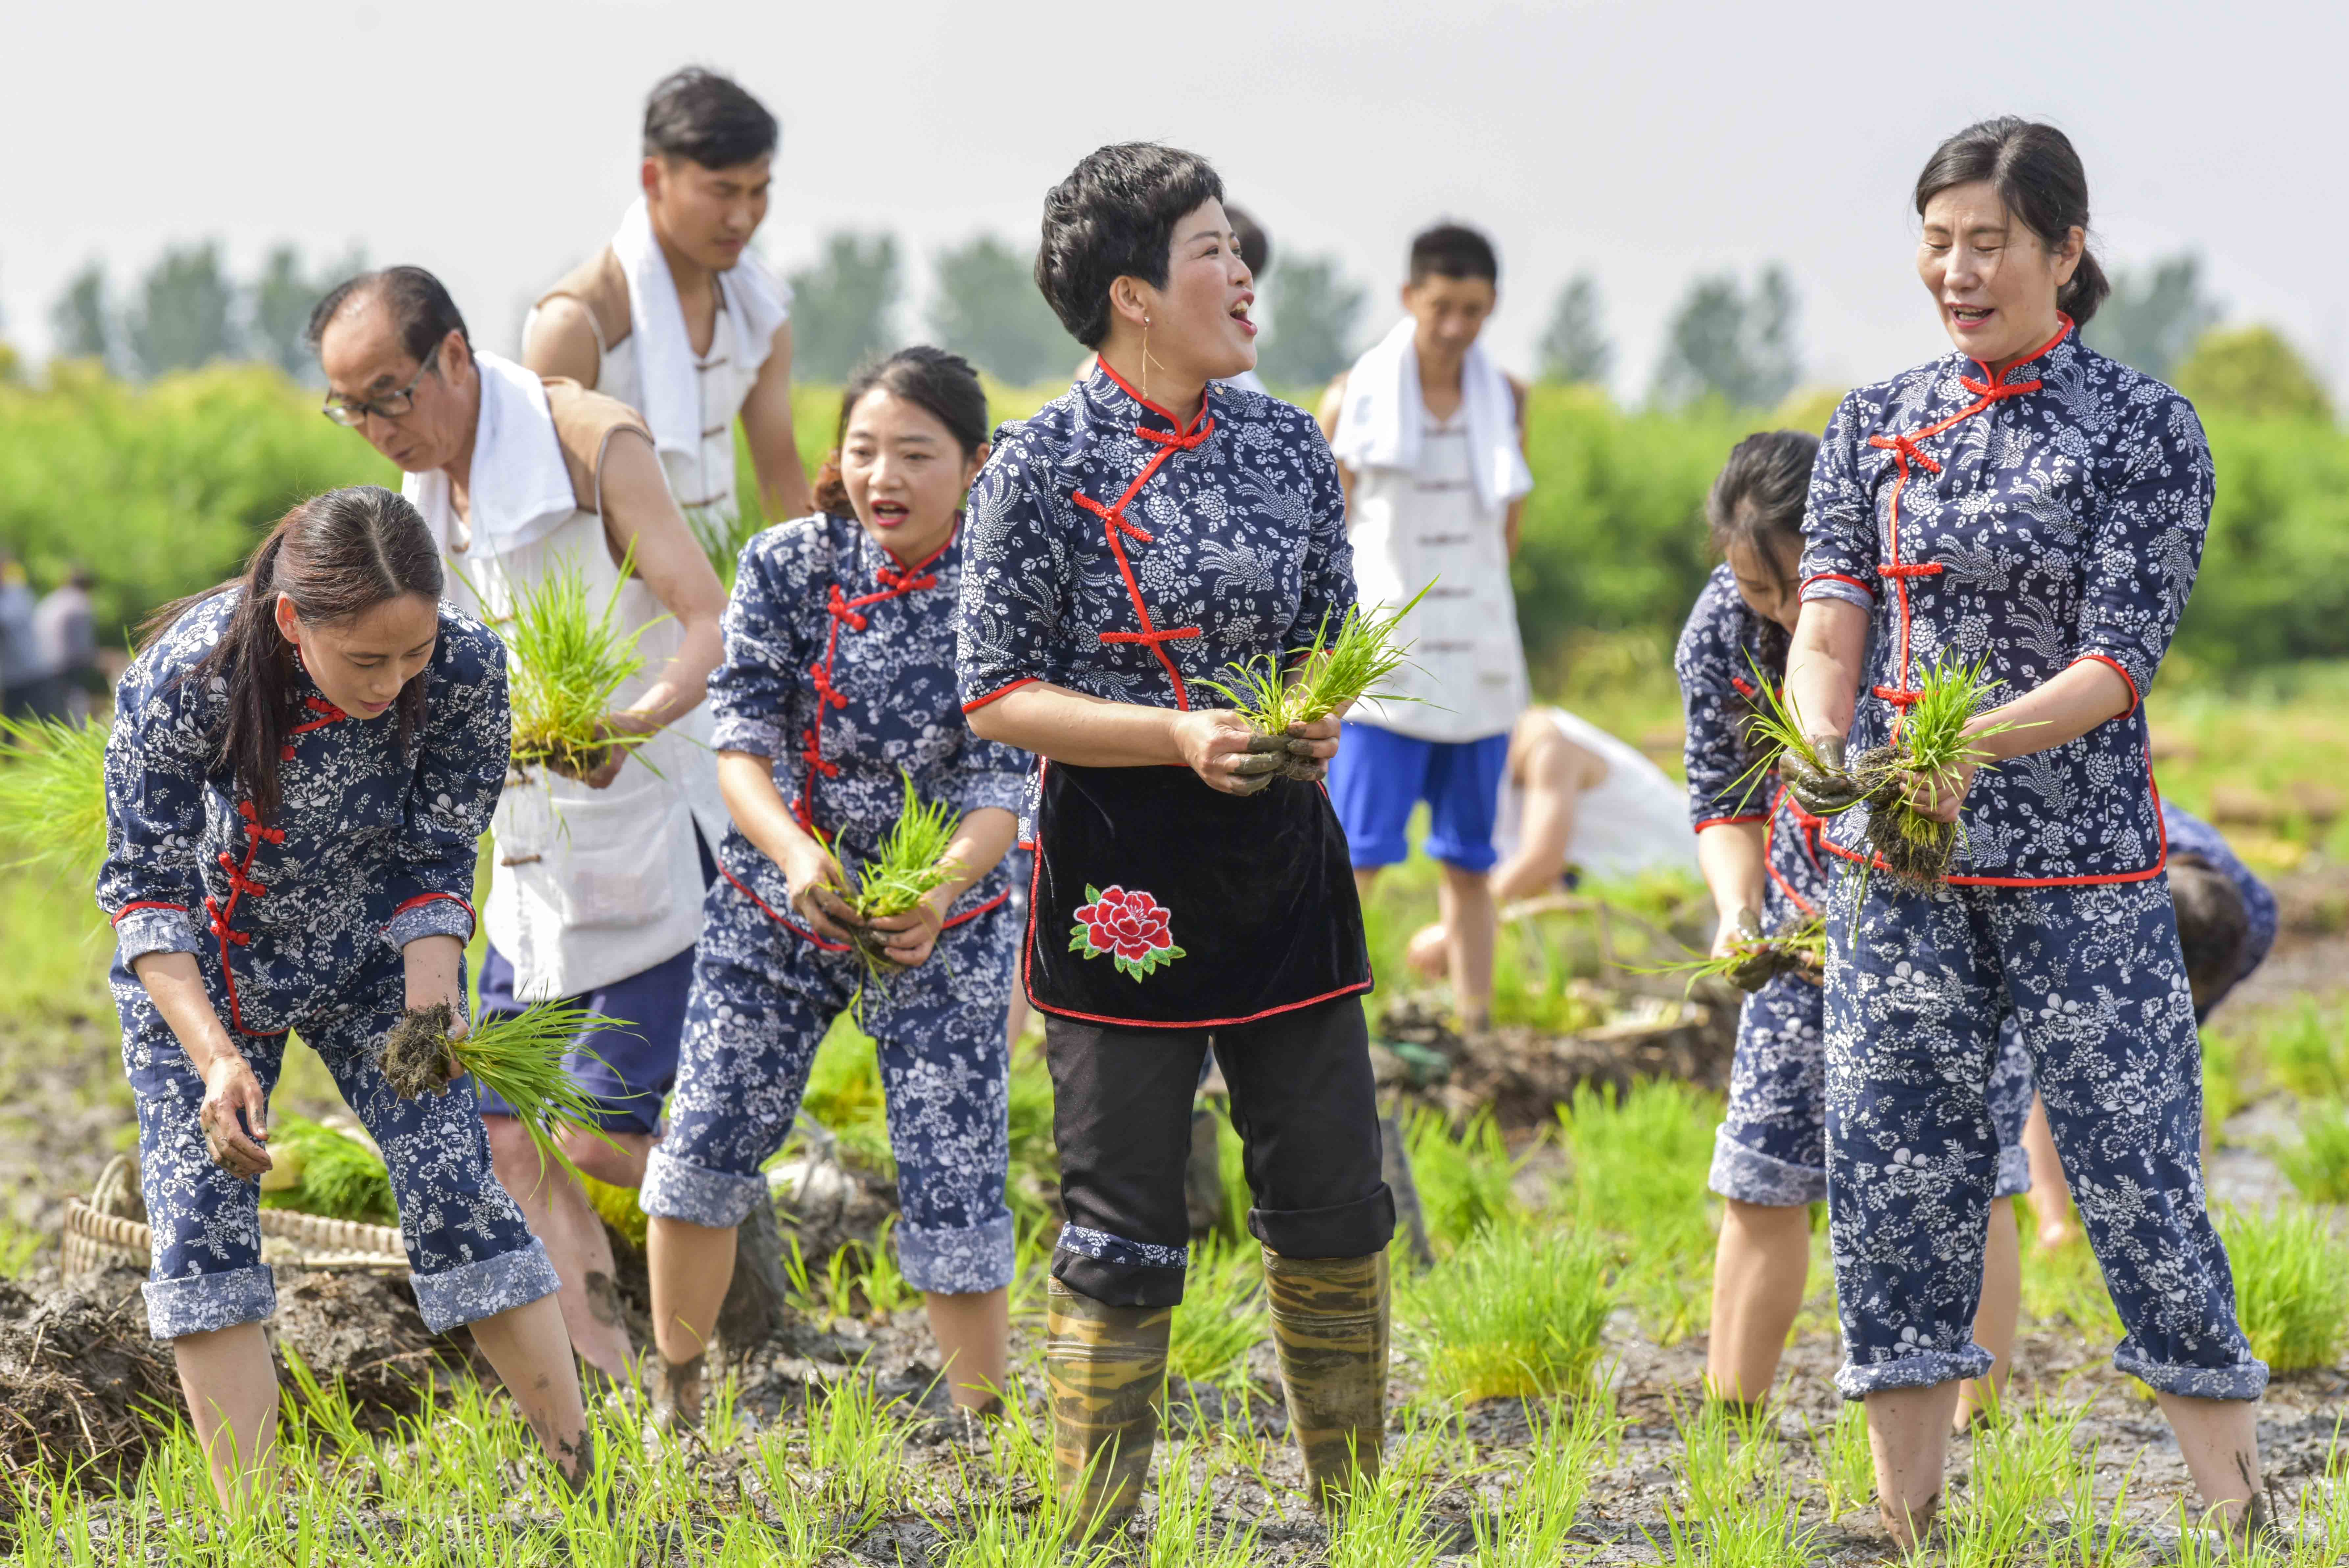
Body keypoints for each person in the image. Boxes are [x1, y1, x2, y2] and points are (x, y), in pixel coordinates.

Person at [1779, 118, 2266, 1548]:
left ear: (2064, 250)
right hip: (1900, 885)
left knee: (2139, 1186)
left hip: (2084, 879)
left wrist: (1950, 744)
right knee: (1892, 1184)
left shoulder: (2141, 428)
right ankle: (1905, 1516)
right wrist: (1821, 742)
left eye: (1986, 241)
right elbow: (1828, 616)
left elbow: (2115, 663)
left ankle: (2242, 1515)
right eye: (1935, 242)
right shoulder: (1872, 420)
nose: (1956, 268)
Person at [959, 143, 1393, 1528]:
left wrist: (1313, 713)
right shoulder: (1037, 465)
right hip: (1118, 870)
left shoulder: (1281, 443)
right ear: (1133, 294)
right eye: (1211, 248)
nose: (1241, 270)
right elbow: (996, 690)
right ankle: (1091, 1529)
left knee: (1333, 1195)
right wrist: (1174, 734)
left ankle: (1355, 1516)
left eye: (1233, 243)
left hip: (1281, 860)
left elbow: (1326, 634)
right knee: (1124, 1216)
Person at [97, 487, 587, 1509]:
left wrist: (431, 997)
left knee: (457, 1179)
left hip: (370, 951)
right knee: (201, 1221)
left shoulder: (461, 670)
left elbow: (437, 847)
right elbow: (146, 887)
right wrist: (216, 1056)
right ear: (292, 620)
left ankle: (588, 1479)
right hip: (206, 967)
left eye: (409, 654)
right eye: (367, 659)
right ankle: (259, 1525)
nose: (393, 679)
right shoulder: (190, 678)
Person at [311, 266, 729, 1385]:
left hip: (647, 824)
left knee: (597, 1132)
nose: (375, 427)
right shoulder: (414, 511)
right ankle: (607, 1379)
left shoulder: (590, 441)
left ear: (454, 355)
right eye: (348, 406)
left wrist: (629, 718)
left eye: (388, 394)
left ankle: (730, 1229)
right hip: (530, 852)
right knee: (501, 1128)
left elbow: (703, 617)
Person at [641, 348, 1025, 1425]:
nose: (882, 474)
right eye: (863, 449)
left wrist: (940, 889)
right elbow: (741, 741)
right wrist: (798, 855)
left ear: (973, 463)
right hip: (780, 900)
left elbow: (1007, 774)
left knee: (955, 1160)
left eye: (914, 452)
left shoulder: (1005, 591)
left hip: (946, 911)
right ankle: (677, 1390)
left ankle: (978, 1422)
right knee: (707, 1131)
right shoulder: (787, 565)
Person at [1676, 430, 2036, 1430]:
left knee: (1971, 1171)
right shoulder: (1723, 626)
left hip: (1949, 928)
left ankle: (1979, 1428)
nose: (1786, 614)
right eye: (1759, 591)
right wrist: (1737, 911)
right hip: (1801, 936)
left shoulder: (1922, 604)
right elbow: (1718, 794)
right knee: (1761, 1163)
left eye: (1798, 584)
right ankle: (1729, 1417)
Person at [1318, 223, 1534, 1035]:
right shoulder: (1351, 397)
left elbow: (1507, 525)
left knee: (1470, 859)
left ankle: (1473, 1023)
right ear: (1410, 297)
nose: (1454, 326)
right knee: (1356, 854)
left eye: (1472, 310)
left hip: (1479, 660)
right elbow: (1325, 528)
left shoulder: (1506, 397)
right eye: (1440, 306)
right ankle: (1326, 1016)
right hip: (1387, 667)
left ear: (1491, 308)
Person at [525, 66, 811, 558]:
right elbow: (539, 508)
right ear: (654, 178)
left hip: (720, 586)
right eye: (722, 191)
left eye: (758, 191)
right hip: (605, 607)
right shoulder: (577, 325)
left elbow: (781, 480)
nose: (742, 218)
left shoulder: (758, 312)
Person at [2023, 801, 2278, 1247]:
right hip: (2080, 901)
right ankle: (2053, 1221)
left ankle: (2187, 1217)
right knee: (2056, 1062)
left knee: (2176, 1063)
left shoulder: (2255, 917)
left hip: (2180, 935)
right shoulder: (2092, 888)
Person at [1403, 703, 1698, 977]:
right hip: (1621, 899)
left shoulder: (1547, 746)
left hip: (1685, 894)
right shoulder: (1490, 768)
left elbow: (1541, 860)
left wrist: (1453, 932)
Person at [29, 567, 101, 722]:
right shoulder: (80, 604)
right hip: (66, 665)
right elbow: (84, 648)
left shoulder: (52, 600)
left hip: (40, 662)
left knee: (55, 711)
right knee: (75, 709)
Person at [0, 555, 39, 718]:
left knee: (50, 721)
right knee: (11, 725)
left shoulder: (18, 594)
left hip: (32, 670)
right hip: (9, 675)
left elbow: (9, 622)